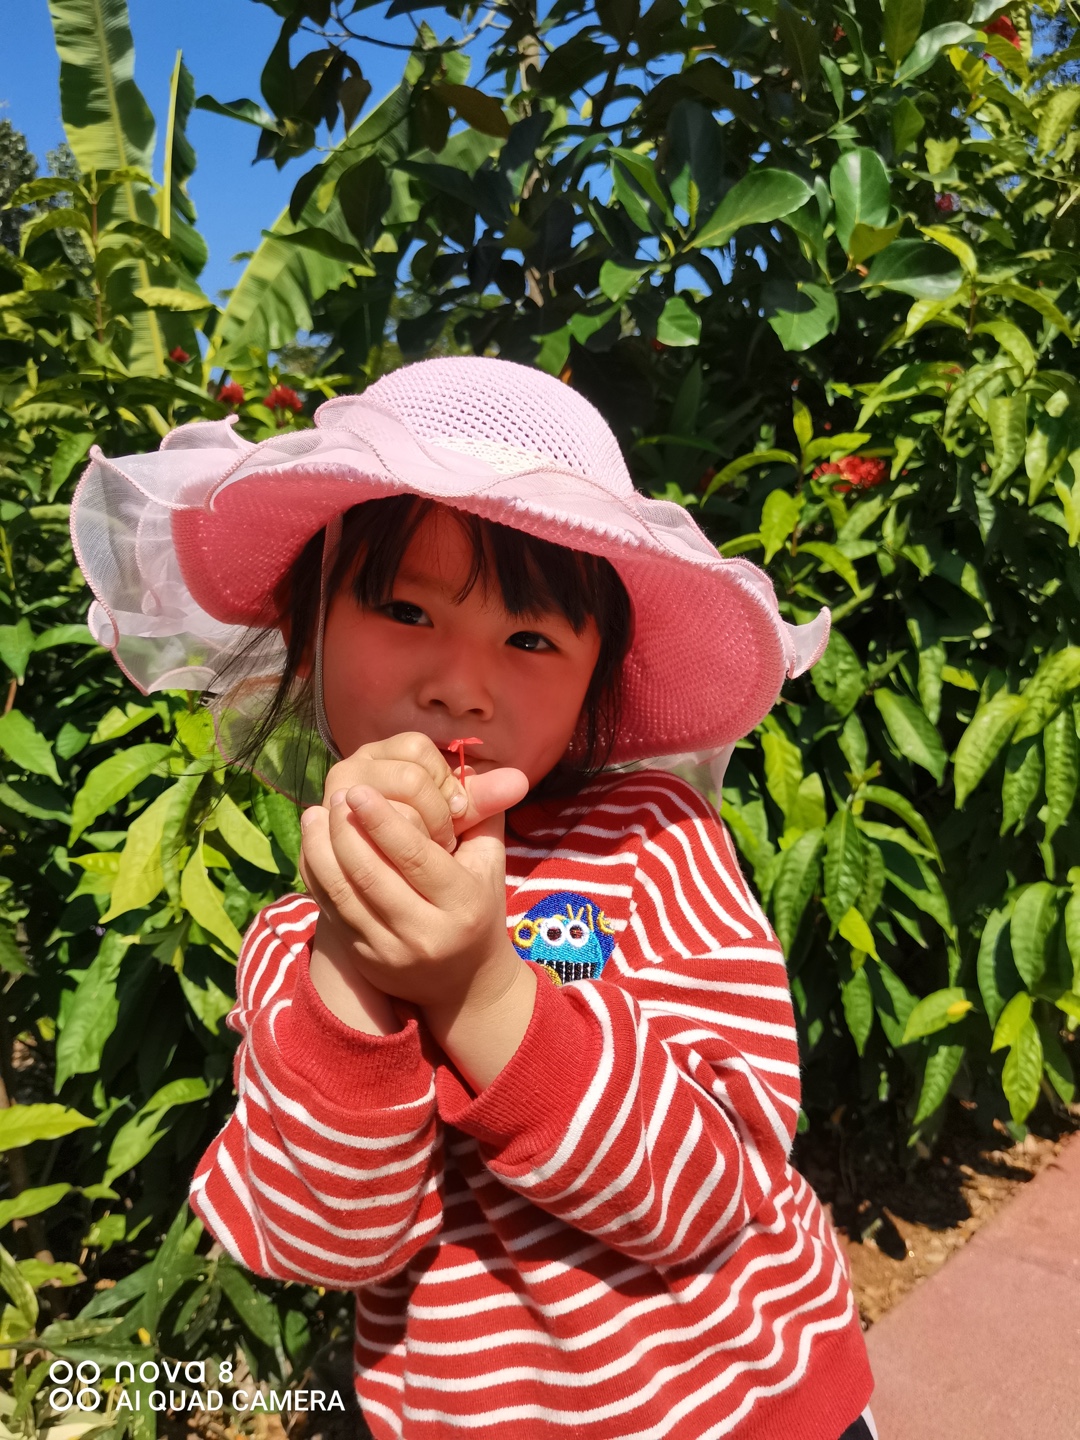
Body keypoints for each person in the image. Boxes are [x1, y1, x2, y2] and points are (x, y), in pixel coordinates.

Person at [71, 356, 877, 1440]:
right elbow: (324, 1240)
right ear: (310, 629)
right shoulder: (300, 942)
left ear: (597, 680)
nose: (460, 684)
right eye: (405, 609)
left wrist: (480, 988)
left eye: (531, 639)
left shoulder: (651, 842)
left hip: (752, 1405)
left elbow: (711, 1190)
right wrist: (356, 964)